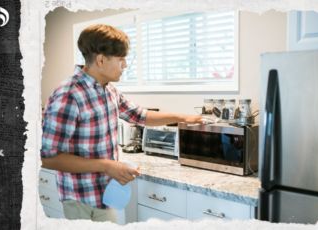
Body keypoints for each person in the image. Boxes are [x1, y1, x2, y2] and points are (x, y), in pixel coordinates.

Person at [40, 24, 202, 223]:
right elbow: (48, 158)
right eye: (121, 59)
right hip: (81, 199)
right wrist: (107, 166)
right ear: (100, 60)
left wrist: (183, 117)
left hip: (108, 194)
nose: (125, 65)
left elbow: (140, 115)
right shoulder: (68, 95)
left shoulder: (109, 90)